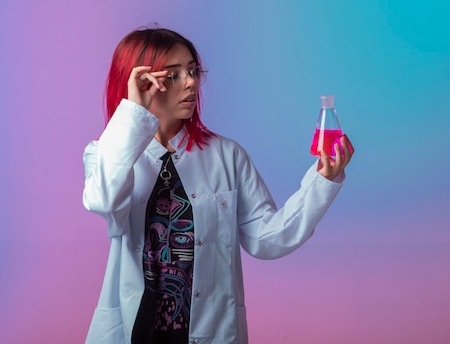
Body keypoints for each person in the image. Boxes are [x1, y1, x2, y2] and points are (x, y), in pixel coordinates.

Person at [82, 26, 353, 344]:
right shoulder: (105, 154)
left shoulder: (227, 155)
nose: (192, 82)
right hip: (134, 332)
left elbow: (267, 238)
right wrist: (132, 112)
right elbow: (103, 200)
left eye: (193, 70)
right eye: (173, 75)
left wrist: (322, 181)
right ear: (140, 83)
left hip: (209, 331)